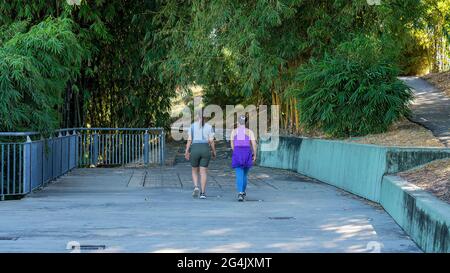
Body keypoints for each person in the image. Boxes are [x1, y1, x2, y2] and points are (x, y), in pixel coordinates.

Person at [185, 110, 216, 199]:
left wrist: (187, 151)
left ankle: (196, 187)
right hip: (205, 149)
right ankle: (202, 193)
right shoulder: (209, 127)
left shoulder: (192, 126)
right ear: (205, 117)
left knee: (194, 170)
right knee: (203, 172)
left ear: (197, 116)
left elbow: (189, 140)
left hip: (195, 149)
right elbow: (211, 141)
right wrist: (214, 151)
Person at [230, 115, 257, 202]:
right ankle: (243, 192)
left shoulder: (234, 132)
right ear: (245, 122)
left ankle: (240, 193)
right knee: (245, 174)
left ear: (238, 122)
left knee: (239, 174)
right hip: (247, 152)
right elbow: (254, 144)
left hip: (237, 152)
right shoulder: (249, 132)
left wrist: (236, 152)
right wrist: (254, 154)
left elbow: (232, 145)